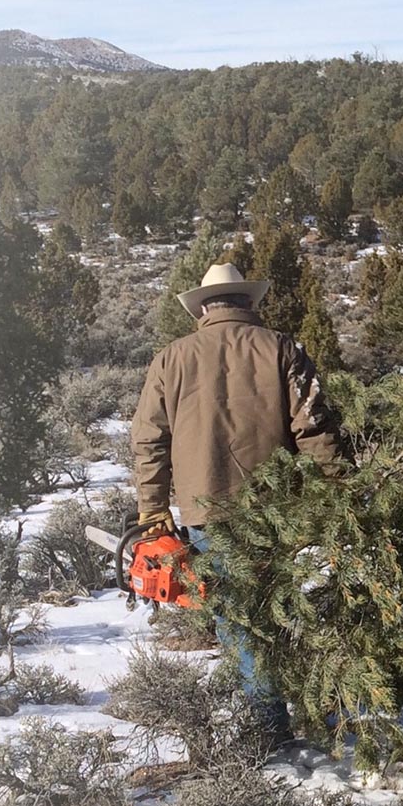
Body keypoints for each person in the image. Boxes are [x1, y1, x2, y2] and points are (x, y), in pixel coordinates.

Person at [131, 263, 342, 744]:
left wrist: (153, 508)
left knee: (238, 618)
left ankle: (267, 729)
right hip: (279, 509)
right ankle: (301, 715)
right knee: (286, 610)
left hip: (207, 513)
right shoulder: (283, 348)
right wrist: (336, 495)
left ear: (204, 308)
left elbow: (148, 442)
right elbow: (315, 430)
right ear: (248, 303)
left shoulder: (171, 358)